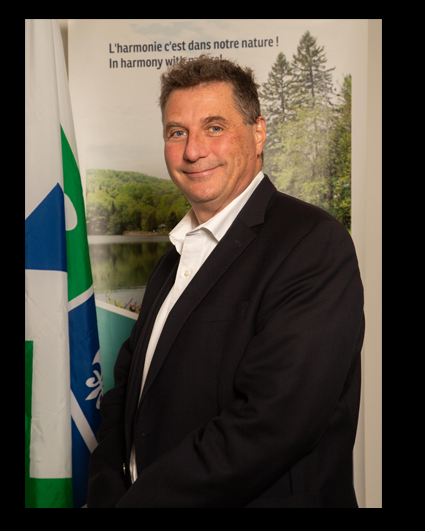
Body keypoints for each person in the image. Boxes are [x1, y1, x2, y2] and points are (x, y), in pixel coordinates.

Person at [87, 56, 364, 507]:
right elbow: (126, 391)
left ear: (259, 133)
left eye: (214, 127)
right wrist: (106, 489)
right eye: (177, 132)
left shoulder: (312, 243)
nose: (193, 150)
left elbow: (272, 425)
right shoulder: (175, 256)